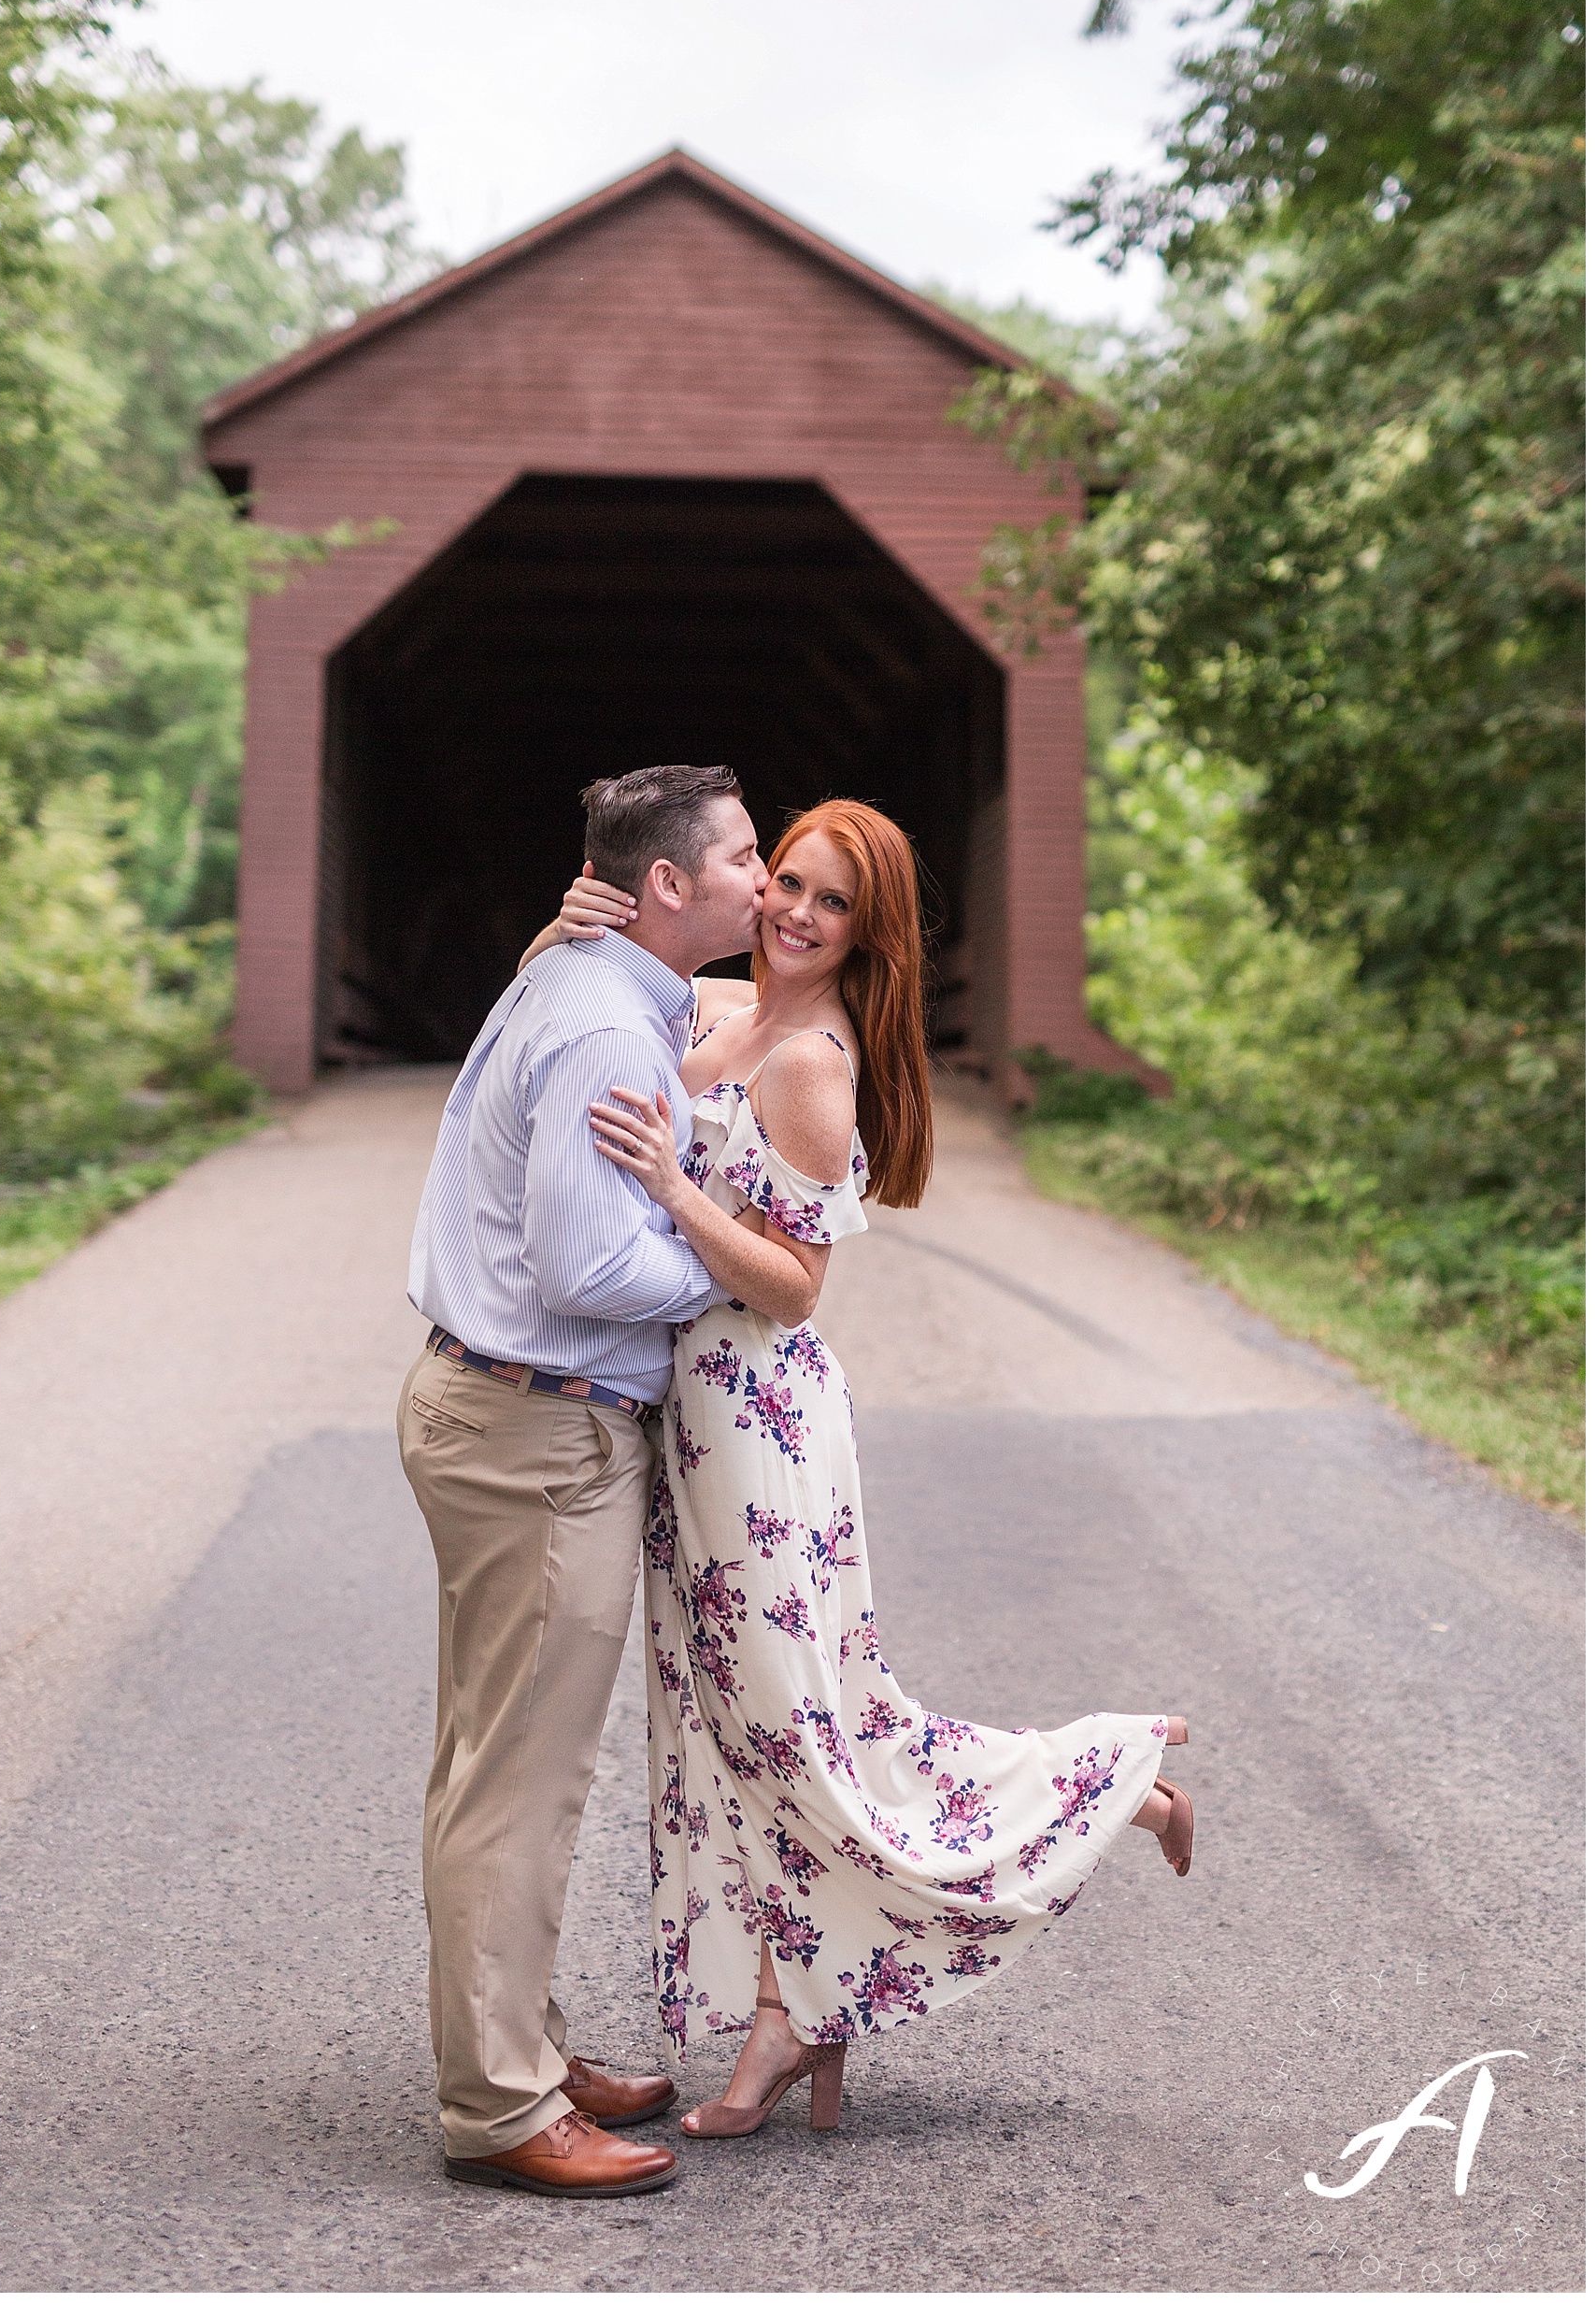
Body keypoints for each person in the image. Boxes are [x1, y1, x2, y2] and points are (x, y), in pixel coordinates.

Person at [554, 798, 1194, 2139]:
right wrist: (558, 933)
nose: (794, 910)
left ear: (866, 930)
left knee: (799, 1730)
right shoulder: (722, 1008)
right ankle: (798, 2010)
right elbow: (572, 1004)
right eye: (786, 879)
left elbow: (795, 1288)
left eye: (830, 901)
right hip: (698, 1416)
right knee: (751, 1727)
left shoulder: (808, 1066)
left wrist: (675, 1190)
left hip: (758, 1419)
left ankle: (1100, 1783)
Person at [397, 763, 767, 2197]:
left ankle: (524, 2043)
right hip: (539, 1436)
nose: (761, 873)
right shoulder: (606, 1019)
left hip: (501, 1417)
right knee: (520, 1781)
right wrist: (731, 1274)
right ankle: (500, 2105)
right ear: (664, 883)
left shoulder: (582, 976)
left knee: (494, 1762)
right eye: (741, 856)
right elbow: (586, 1262)